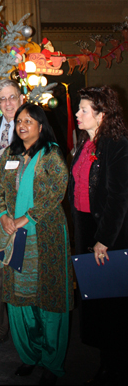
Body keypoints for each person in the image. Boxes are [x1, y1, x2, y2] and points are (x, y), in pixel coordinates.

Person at [0, 102, 73, 386]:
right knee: (20, 299)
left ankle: (52, 361)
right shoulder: (10, 155)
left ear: (41, 125)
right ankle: (29, 356)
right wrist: (3, 215)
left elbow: (56, 191)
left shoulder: (51, 154)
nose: (22, 125)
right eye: (19, 121)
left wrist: (26, 218)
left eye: (29, 120)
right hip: (15, 237)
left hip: (46, 235)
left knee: (49, 300)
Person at [68, 86, 128, 386]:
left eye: (83, 110)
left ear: (102, 114)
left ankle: (114, 367)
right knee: (95, 300)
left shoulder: (118, 145)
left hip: (108, 237)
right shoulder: (84, 144)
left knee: (111, 305)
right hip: (85, 230)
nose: (77, 114)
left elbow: (119, 198)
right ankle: (105, 362)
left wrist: (104, 239)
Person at [0, 79, 24, 350]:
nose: (8, 103)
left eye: (12, 97)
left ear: (21, 98)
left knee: (24, 270)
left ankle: (25, 330)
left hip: (24, 213)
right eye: (3, 99)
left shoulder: (34, 126)